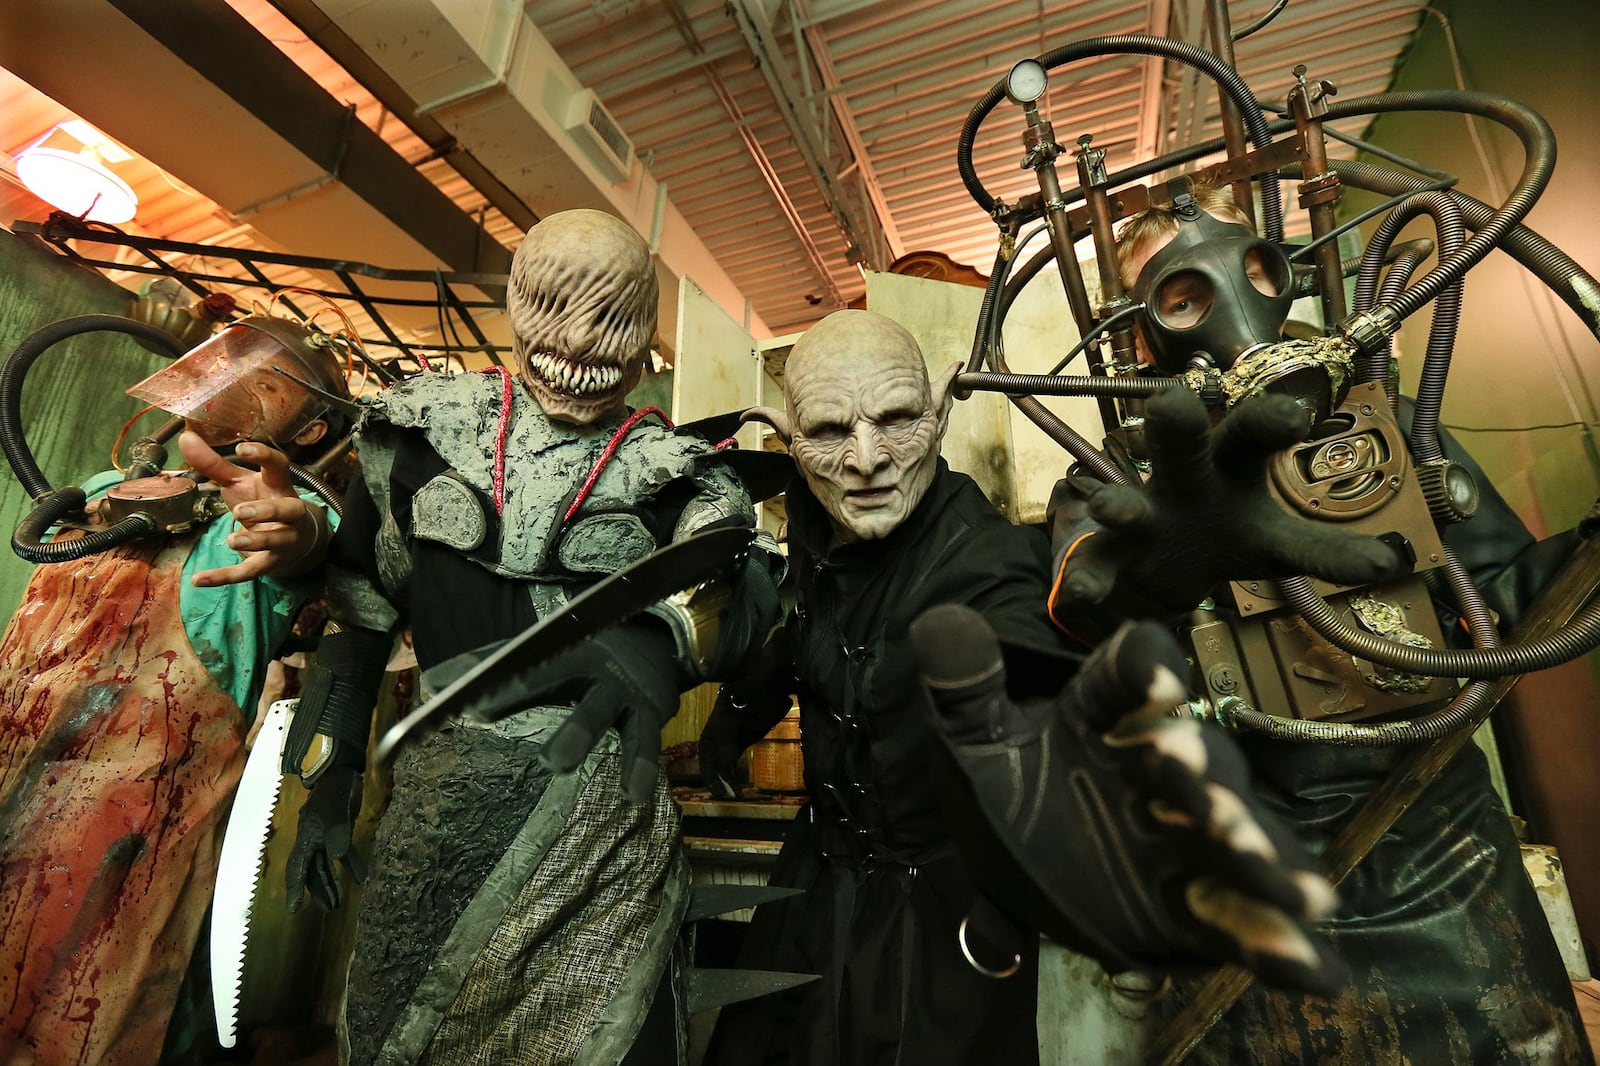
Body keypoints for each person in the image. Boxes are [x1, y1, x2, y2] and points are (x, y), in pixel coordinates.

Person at [697, 308, 1372, 1066]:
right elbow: (806, 622)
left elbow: (1044, 651)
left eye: (897, 419)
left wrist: (1143, 593)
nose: (866, 459)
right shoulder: (818, 527)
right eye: (827, 433)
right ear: (782, 437)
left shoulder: (985, 562)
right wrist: (739, 711)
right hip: (811, 899)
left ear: (945, 405)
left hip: (936, 937)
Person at [1047, 180, 1594, 1064]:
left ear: (1281, 280)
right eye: (1181, 296)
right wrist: (1164, 562)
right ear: (1141, 332)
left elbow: (1507, 589)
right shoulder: (1110, 477)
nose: (1225, 311)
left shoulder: (1378, 428)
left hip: (1442, 842)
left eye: (1246, 274)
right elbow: (1080, 614)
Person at [301, 208, 785, 1065]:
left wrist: (663, 639)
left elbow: (739, 590)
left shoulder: (680, 476)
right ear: (517, 304)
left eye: (612, 318)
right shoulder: (416, 436)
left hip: (601, 831)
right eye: (557, 306)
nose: (581, 342)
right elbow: (360, 610)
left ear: (647, 340)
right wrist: (328, 777)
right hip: (437, 814)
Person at [0, 316, 352, 1066]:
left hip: (127, 836)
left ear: (313, 426)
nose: (229, 389)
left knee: (98, 1016)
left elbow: (304, 541)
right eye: (226, 367)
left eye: (264, 383)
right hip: (13, 765)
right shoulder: (104, 490)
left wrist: (299, 535)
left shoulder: (271, 511)